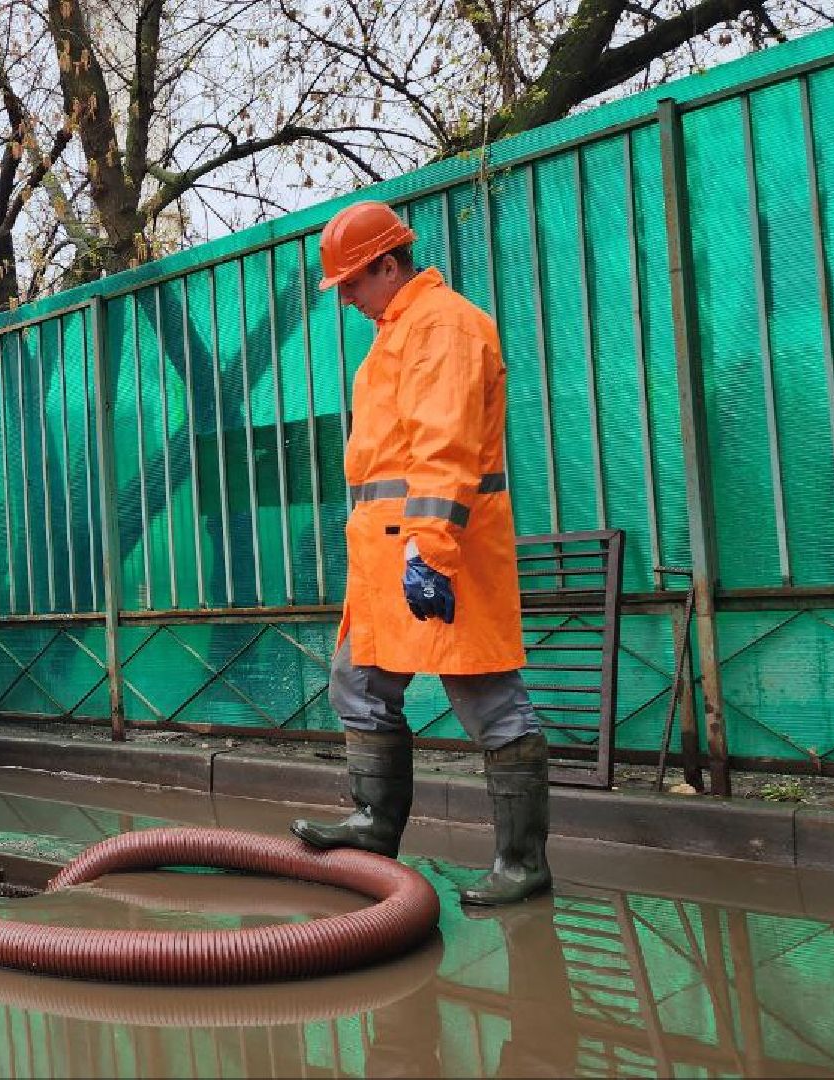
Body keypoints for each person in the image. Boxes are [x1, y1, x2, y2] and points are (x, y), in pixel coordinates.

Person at [289, 201, 551, 906]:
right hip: (386, 557)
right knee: (359, 684)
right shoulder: (397, 330)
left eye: (351, 281)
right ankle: (375, 826)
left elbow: (446, 447)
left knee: (488, 697)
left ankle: (521, 864)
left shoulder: (442, 326)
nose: (343, 297)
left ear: (387, 264)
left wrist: (428, 551)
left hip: (434, 552)